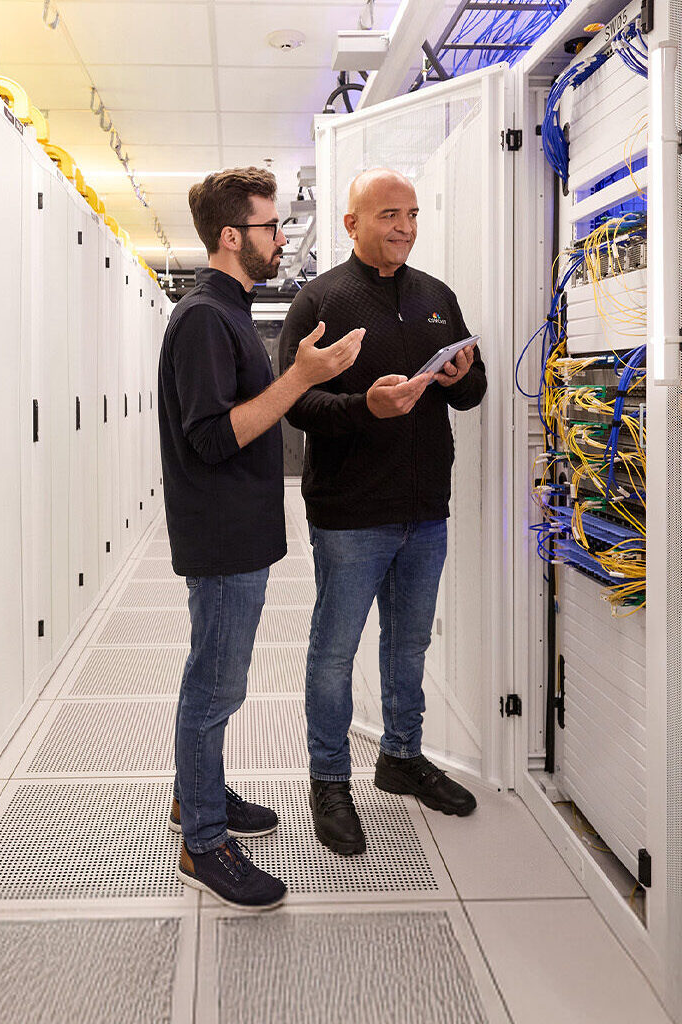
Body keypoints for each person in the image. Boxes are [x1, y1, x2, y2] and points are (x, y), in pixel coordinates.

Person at [158, 167, 365, 907]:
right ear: (231, 236)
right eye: (272, 226)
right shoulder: (207, 319)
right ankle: (204, 843)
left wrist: (308, 375)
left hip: (234, 533)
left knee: (214, 680)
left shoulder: (229, 310)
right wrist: (300, 379)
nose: (282, 237)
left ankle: (197, 795)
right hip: (221, 539)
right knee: (215, 689)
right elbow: (215, 437)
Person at [278, 167, 485, 857]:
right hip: (350, 514)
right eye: (390, 214)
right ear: (352, 224)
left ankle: (401, 757)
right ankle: (329, 781)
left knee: (410, 645)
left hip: (425, 509)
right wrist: (365, 407)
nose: (405, 226)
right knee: (334, 655)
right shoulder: (321, 300)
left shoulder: (436, 297)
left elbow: (471, 390)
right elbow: (294, 404)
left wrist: (463, 377)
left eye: (413, 214)